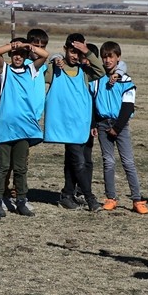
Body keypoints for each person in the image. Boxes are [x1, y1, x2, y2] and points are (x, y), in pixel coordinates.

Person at [45, 33, 105, 213]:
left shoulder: (85, 72)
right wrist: (54, 58)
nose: (75, 56)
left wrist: (87, 51)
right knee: (78, 161)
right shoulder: (55, 70)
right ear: (65, 50)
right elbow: (40, 73)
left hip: (82, 124)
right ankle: (90, 198)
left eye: (78, 53)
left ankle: (67, 195)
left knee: (75, 162)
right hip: (65, 125)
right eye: (72, 51)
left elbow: (100, 70)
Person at [0, 38, 47, 218]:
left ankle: (21, 200)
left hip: (24, 128)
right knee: (2, 167)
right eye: (14, 54)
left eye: (21, 54)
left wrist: (27, 47)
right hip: (6, 128)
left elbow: (45, 55)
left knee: (21, 167)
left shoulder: (31, 70)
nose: (18, 56)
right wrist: (13, 46)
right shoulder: (5, 71)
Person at [91, 41, 148, 214]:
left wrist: (117, 128)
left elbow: (128, 106)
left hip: (120, 126)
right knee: (108, 162)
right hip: (102, 124)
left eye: (111, 56)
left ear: (118, 58)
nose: (107, 60)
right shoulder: (96, 79)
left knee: (128, 162)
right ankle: (111, 197)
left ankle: (137, 199)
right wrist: (93, 124)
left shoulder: (126, 80)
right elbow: (93, 103)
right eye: (104, 57)